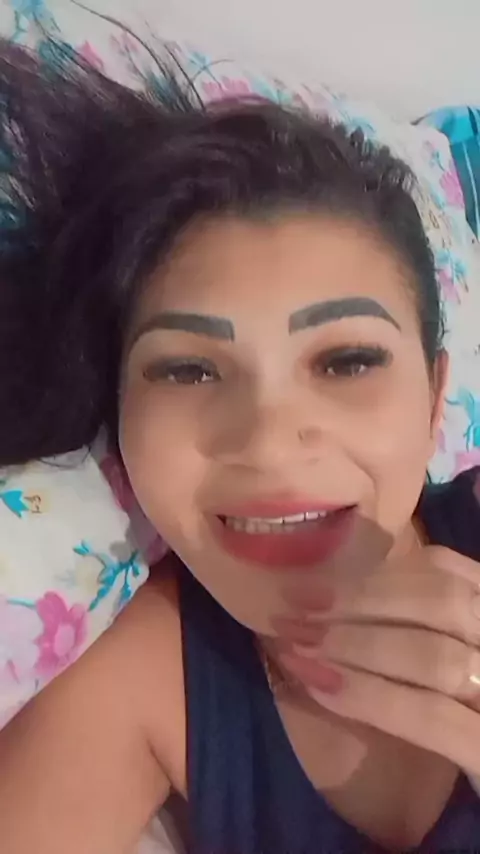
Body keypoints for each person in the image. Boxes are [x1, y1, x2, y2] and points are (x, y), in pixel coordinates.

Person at [1, 38, 480, 854]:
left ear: (436, 401)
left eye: (347, 360)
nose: (267, 443)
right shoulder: (139, 680)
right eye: (188, 370)